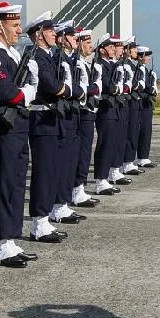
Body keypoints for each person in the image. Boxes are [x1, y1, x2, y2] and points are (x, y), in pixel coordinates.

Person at [0, 1, 40, 267]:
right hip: (6, 130)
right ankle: (0, 243)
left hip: (19, 127)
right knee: (5, 184)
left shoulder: (14, 55)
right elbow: (9, 93)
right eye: (14, 25)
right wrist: (29, 91)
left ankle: (10, 239)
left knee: (18, 183)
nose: (19, 29)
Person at [26, 11, 69, 243]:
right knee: (43, 173)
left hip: (51, 120)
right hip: (41, 121)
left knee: (51, 171)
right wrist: (67, 89)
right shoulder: (36, 57)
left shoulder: (48, 56)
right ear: (39, 34)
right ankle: (38, 223)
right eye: (51, 31)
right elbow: (52, 86)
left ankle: (44, 220)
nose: (55, 34)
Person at [50, 20, 87, 225]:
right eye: (72, 37)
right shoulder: (58, 59)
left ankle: (63, 204)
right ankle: (57, 206)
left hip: (72, 114)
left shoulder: (70, 59)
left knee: (69, 162)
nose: (76, 40)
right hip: (62, 116)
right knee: (62, 164)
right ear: (63, 39)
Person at [71, 27, 101, 207]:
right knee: (81, 152)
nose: (90, 46)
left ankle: (79, 187)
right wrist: (93, 88)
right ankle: (77, 189)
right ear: (79, 43)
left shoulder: (85, 63)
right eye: (87, 42)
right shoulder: (76, 63)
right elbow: (83, 89)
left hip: (88, 111)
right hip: (82, 113)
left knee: (85, 152)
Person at [92, 34, 125, 196]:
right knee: (105, 144)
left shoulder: (110, 65)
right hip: (105, 110)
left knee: (112, 143)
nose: (113, 49)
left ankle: (107, 175)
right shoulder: (99, 65)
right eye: (110, 47)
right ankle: (100, 180)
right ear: (102, 50)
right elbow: (108, 86)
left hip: (113, 108)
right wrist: (117, 88)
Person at [120, 36, 144, 176]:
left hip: (134, 100)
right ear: (127, 50)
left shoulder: (132, 65)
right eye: (134, 48)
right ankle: (126, 162)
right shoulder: (125, 64)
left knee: (133, 132)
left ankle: (129, 161)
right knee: (129, 133)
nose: (136, 51)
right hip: (129, 101)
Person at [135, 46, 158, 168]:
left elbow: (152, 88)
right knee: (136, 131)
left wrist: (152, 90)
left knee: (146, 131)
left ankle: (143, 156)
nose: (148, 58)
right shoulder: (136, 70)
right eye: (146, 55)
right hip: (139, 103)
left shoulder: (149, 72)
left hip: (147, 104)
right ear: (140, 56)